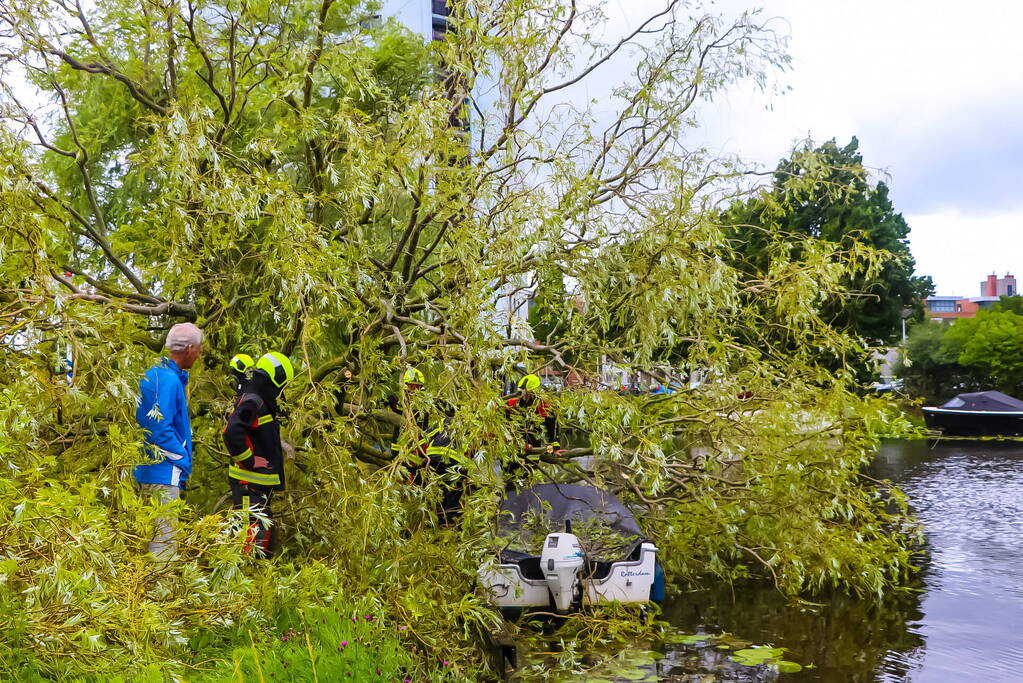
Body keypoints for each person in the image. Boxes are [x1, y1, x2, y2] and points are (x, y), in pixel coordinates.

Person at [134, 322, 203, 559]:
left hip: (146, 469)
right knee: (163, 542)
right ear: (190, 349)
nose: (200, 353)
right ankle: (161, 593)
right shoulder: (168, 380)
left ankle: (141, 591)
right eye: (199, 348)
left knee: (148, 538)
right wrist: (182, 459)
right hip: (163, 472)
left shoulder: (155, 374)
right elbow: (159, 427)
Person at [223, 351, 294, 557]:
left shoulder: (258, 397)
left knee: (261, 525)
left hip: (256, 482)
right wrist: (249, 460)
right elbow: (232, 432)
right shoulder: (253, 401)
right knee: (249, 529)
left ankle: (256, 574)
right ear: (277, 379)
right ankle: (245, 574)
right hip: (248, 482)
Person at [504, 373, 562, 487]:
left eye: (526, 393)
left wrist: (553, 450)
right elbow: (504, 427)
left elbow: (552, 432)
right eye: (521, 392)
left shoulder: (544, 407)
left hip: (532, 451)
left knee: (527, 482)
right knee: (509, 482)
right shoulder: (512, 405)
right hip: (512, 451)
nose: (523, 396)